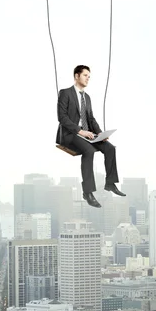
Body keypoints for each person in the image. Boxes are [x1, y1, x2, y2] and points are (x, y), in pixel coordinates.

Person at [56, 64, 126, 208]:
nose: (88, 78)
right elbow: (62, 118)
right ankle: (88, 192)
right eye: (85, 75)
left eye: (89, 76)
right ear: (76, 76)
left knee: (110, 148)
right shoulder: (65, 93)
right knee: (89, 151)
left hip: (88, 134)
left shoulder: (86, 97)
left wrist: (99, 133)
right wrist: (80, 131)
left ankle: (110, 183)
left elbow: (91, 118)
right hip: (71, 134)